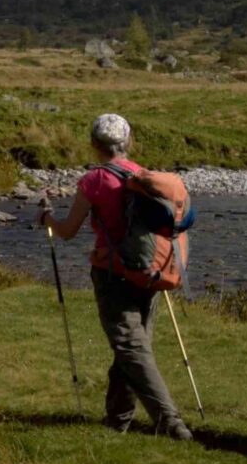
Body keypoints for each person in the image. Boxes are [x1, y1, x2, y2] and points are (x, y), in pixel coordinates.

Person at [41, 112, 194, 440]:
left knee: (130, 348)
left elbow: (68, 231)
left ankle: (170, 423)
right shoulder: (142, 175)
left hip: (113, 274)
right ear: (128, 142)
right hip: (149, 273)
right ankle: (117, 423)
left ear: (94, 144)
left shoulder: (94, 180)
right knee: (132, 348)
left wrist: (47, 219)